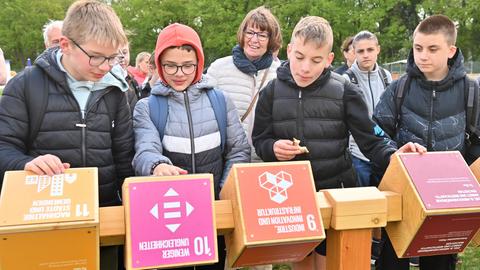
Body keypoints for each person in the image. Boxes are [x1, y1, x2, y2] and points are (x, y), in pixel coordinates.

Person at [252, 16, 426, 270]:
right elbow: (260, 140)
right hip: (292, 199)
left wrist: (394, 154)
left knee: (328, 263)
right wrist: (272, 148)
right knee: (300, 262)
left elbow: (371, 139)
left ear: (330, 59)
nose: (305, 68)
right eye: (299, 57)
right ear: (289, 50)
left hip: (337, 195)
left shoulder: (344, 90)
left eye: (316, 60)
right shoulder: (270, 92)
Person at [0, 1, 134, 269]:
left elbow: (124, 157)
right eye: (96, 56)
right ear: (65, 45)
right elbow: (4, 146)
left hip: (102, 218)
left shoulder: (117, 91)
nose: (106, 67)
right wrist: (25, 163)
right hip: (41, 220)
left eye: (113, 58)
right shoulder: (25, 86)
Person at [132, 23, 250, 270]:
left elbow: (238, 150)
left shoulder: (220, 100)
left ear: (199, 63)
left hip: (214, 214)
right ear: (159, 65)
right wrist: (157, 166)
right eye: (171, 65)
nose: (179, 73)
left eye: (187, 65)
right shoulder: (147, 107)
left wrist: (223, 193)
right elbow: (145, 149)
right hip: (169, 219)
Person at [373, 14, 480, 270]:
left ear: (451, 50)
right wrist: (393, 152)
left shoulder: (471, 91)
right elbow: (374, 132)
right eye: (418, 48)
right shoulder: (398, 89)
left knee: (440, 264)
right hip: (402, 196)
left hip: (448, 201)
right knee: (392, 263)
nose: (423, 55)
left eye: (433, 49)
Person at [207, 6, 282, 162]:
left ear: (270, 40)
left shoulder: (280, 73)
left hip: (265, 161)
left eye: (262, 35)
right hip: (227, 160)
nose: (254, 40)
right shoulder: (219, 69)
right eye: (250, 32)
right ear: (242, 34)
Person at [343, 30, 393, 187]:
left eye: (370, 50)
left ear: (378, 49)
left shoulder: (386, 76)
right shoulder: (346, 80)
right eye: (361, 51)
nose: (366, 55)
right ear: (354, 53)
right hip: (358, 154)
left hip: (384, 149)